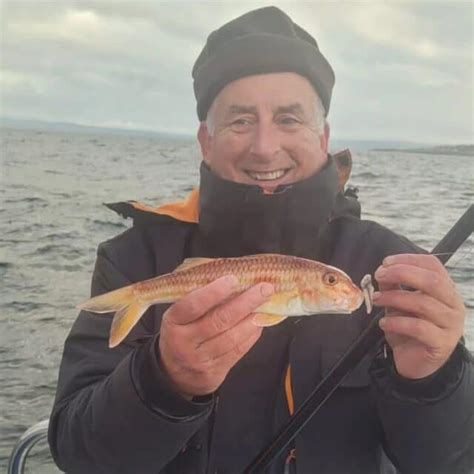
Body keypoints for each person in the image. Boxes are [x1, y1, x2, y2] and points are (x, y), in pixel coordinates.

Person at [48, 7, 474, 474]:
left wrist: (433, 381)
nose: (265, 147)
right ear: (206, 141)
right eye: (240, 121)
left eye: (289, 119)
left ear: (324, 136)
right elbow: (78, 454)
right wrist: (162, 380)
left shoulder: (393, 265)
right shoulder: (134, 258)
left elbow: (450, 463)